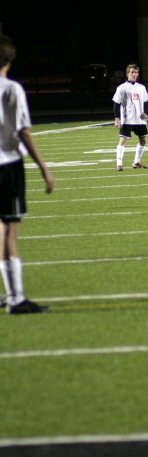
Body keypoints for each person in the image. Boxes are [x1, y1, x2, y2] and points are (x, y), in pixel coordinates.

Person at [0, 35, 55, 314]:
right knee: (10, 230)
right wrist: (44, 167)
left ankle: (8, 293)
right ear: (8, 60)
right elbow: (22, 130)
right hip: (7, 165)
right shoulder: (11, 89)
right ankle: (16, 298)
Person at [113, 63, 148, 171]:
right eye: (132, 72)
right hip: (127, 119)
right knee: (123, 140)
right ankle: (119, 164)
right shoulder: (122, 87)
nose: (134, 74)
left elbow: (146, 101)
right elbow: (116, 103)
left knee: (143, 140)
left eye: (136, 72)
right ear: (127, 74)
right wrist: (117, 118)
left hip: (140, 119)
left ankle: (136, 162)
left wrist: (145, 112)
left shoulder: (142, 88)